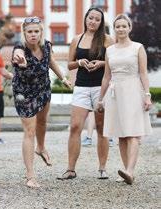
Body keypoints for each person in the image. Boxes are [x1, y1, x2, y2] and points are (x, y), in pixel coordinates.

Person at [12, 17, 71, 188]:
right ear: (24, 33)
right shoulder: (19, 49)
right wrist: (21, 62)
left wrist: (63, 78)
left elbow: (51, 62)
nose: (33, 34)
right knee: (29, 131)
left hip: (43, 89)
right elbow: (18, 55)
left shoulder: (47, 46)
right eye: (29, 31)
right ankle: (30, 176)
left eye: (36, 31)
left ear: (41, 32)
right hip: (24, 93)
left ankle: (41, 147)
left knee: (43, 122)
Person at [58, 7, 114, 180]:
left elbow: (114, 63)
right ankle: (70, 169)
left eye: (97, 19)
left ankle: (102, 168)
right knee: (75, 127)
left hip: (101, 87)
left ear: (101, 22)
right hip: (81, 87)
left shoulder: (108, 40)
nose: (93, 22)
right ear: (86, 19)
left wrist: (101, 63)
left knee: (101, 129)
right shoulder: (77, 39)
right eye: (91, 18)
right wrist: (80, 62)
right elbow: (69, 64)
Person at [97, 14, 152, 184]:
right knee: (120, 134)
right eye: (117, 26)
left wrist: (147, 95)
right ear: (114, 29)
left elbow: (143, 73)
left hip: (133, 91)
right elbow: (106, 77)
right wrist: (101, 99)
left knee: (133, 133)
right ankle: (127, 170)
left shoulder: (138, 48)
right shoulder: (110, 50)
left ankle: (130, 171)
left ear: (129, 28)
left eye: (124, 26)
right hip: (115, 93)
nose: (121, 29)